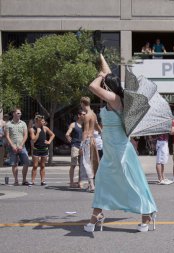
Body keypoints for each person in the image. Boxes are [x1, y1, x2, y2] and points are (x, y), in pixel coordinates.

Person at [84, 54, 157, 233]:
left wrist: (100, 76)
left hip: (119, 150)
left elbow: (93, 86)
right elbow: (109, 74)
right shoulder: (116, 95)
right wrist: (100, 56)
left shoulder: (113, 99)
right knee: (105, 182)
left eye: (105, 83)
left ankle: (146, 215)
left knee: (130, 183)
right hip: (113, 149)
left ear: (108, 86)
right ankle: (95, 219)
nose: (103, 83)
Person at [4, 108, 30, 186]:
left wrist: (21, 145)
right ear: (14, 114)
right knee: (14, 164)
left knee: (26, 163)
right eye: (18, 113)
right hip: (12, 147)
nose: (20, 114)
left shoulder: (23, 123)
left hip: (22, 146)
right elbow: (7, 136)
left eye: (20, 113)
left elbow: (26, 135)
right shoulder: (8, 124)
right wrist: (13, 146)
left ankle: (24, 180)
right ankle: (16, 181)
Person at [80, 96, 100, 192]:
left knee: (87, 162)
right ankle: (91, 184)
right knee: (93, 162)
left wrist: (82, 144)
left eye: (81, 105)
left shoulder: (87, 116)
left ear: (83, 104)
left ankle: (92, 185)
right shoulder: (94, 114)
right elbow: (96, 126)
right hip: (93, 139)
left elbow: (85, 131)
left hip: (87, 140)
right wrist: (102, 133)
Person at [29, 115, 55, 186]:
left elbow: (52, 135)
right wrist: (38, 132)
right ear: (38, 121)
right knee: (35, 165)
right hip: (36, 149)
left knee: (43, 165)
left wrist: (49, 141)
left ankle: (42, 181)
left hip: (44, 149)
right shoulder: (32, 129)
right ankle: (32, 181)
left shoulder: (45, 128)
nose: (44, 122)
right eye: (42, 121)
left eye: (43, 121)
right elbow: (33, 140)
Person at [65, 109, 85, 188]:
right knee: (73, 165)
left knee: (81, 165)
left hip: (83, 147)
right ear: (79, 115)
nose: (84, 115)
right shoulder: (74, 124)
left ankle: (80, 182)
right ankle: (71, 182)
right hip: (75, 146)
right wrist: (67, 136)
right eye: (83, 114)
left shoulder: (85, 125)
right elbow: (68, 132)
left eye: (85, 114)